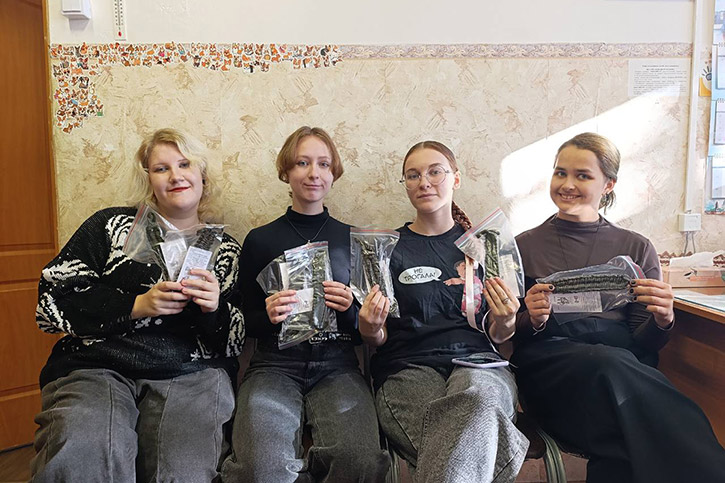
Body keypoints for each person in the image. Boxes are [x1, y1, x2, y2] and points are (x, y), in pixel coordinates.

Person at [31, 128, 245, 482]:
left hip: (190, 372)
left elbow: (235, 339)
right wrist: (136, 305)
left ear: (202, 174)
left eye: (185, 164)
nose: (175, 176)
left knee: (182, 472)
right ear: (148, 179)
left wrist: (214, 310)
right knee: (85, 454)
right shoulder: (111, 226)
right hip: (97, 366)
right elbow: (51, 301)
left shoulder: (224, 249)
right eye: (161, 168)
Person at [513, 132, 725, 483]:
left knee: (619, 444)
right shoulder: (522, 246)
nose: (567, 184)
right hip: (552, 372)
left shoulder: (636, 247)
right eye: (560, 172)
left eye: (583, 175)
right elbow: (505, 332)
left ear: (608, 184)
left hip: (622, 373)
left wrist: (663, 318)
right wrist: (532, 319)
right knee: (609, 364)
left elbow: (646, 341)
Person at [221, 126, 389, 483]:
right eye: (302, 163)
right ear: (286, 171)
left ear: (334, 173)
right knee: (259, 469)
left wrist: (351, 310)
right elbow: (243, 321)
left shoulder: (354, 239)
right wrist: (267, 316)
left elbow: (368, 332)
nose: (314, 173)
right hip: (273, 365)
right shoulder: (260, 239)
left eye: (324, 164)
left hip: (338, 365)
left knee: (359, 461)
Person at [359, 141, 529, 483]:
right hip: (406, 368)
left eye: (435, 172)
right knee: (469, 434)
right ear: (406, 184)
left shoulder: (485, 246)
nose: (424, 182)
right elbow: (377, 338)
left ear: (456, 179)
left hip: (479, 363)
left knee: (477, 401)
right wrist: (369, 327)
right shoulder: (385, 250)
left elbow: (500, 335)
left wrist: (507, 318)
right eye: (413, 175)